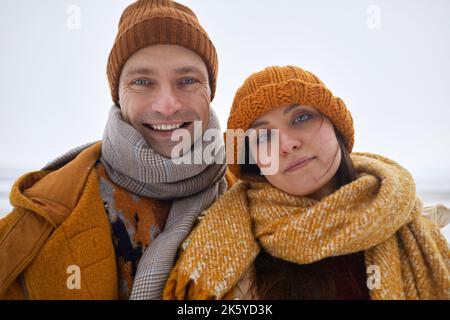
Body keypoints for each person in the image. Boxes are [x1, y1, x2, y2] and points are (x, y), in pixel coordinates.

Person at [0, 0, 235, 300]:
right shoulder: (40, 219)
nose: (167, 106)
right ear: (118, 95)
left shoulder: (257, 200)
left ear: (210, 91)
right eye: (142, 82)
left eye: (187, 81)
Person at [164, 65, 450, 300]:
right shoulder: (221, 247)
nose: (286, 144)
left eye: (301, 118)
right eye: (264, 137)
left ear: (336, 126)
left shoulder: (412, 226)